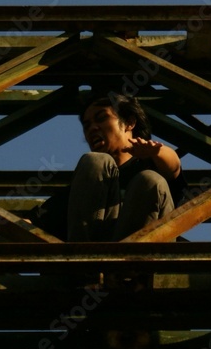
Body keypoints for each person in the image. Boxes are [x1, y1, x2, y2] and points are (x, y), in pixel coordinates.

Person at [66, 94, 185, 241]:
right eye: (87, 125)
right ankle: (84, 256)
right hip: (92, 257)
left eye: (102, 118)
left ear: (129, 123)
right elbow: (38, 222)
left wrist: (157, 151)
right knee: (94, 161)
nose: (92, 128)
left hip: (142, 258)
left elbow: (173, 167)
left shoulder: (150, 164)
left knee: (149, 179)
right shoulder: (85, 185)